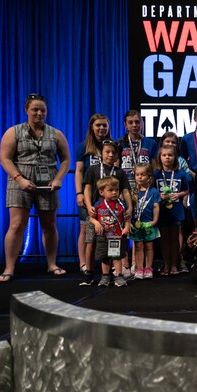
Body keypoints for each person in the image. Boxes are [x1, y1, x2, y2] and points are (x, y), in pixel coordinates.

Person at [0, 93, 71, 282]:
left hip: (48, 183)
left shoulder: (56, 134)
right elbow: (5, 159)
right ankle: (9, 268)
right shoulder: (13, 132)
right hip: (19, 181)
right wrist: (19, 178)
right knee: (17, 225)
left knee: (49, 224)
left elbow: (65, 160)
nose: (39, 113)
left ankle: (52, 264)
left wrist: (58, 179)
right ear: (27, 111)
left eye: (43, 110)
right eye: (35, 109)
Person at [81, 140, 133, 285]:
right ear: (100, 153)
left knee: (115, 245)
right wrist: (89, 204)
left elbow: (125, 191)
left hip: (114, 216)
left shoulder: (120, 172)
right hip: (96, 213)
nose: (110, 155)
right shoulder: (93, 169)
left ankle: (116, 273)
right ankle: (89, 272)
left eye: (114, 152)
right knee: (90, 242)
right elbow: (87, 189)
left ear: (118, 155)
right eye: (107, 152)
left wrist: (129, 207)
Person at [75, 114, 111, 276]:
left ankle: (108, 262)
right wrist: (79, 193)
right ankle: (83, 264)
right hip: (90, 195)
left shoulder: (112, 145)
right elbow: (79, 171)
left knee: (110, 230)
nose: (101, 128)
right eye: (98, 125)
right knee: (85, 229)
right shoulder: (83, 147)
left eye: (104, 125)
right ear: (92, 127)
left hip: (109, 195)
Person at [89, 177, 131, 287]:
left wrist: (126, 227)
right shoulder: (98, 204)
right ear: (101, 192)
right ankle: (105, 276)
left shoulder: (121, 204)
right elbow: (91, 218)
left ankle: (119, 275)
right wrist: (96, 223)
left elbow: (127, 218)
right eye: (110, 190)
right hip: (102, 236)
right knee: (105, 257)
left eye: (116, 190)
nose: (114, 193)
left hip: (116, 236)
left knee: (116, 257)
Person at [154, 144, 189, 276]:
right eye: (164, 155)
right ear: (160, 157)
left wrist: (179, 195)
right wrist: (159, 196)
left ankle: (174, 264)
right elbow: (150, 191)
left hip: (177, 210)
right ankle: (166, 265)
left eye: (170, 155)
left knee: (175, 239)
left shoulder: (181, 174)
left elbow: (186, 190)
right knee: (164, 240)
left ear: (175, 158)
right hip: (161, 212)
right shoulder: (156, 174)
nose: (167, 158)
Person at [130, 163, 160, 279]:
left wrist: (155, 221)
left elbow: (156, 207)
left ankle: (148, 267)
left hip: (149, 223)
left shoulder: (154, 191)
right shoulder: (133, 192)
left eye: (142, 174)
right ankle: (139, 268)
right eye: (137, 174)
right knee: (138, 246)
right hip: (136, 224)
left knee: (149, 246)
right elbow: (129, 208)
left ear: (149, 176)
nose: (140, 177)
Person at [118, 110, 158, 189]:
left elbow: (154, 168)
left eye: (137, 122)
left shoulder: (151, 143)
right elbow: (116, 167)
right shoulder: (119, 143)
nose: (134, 125)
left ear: (142, 123)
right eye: (130, 122)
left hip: (145, 186)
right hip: (125, 186)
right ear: (125, 125)